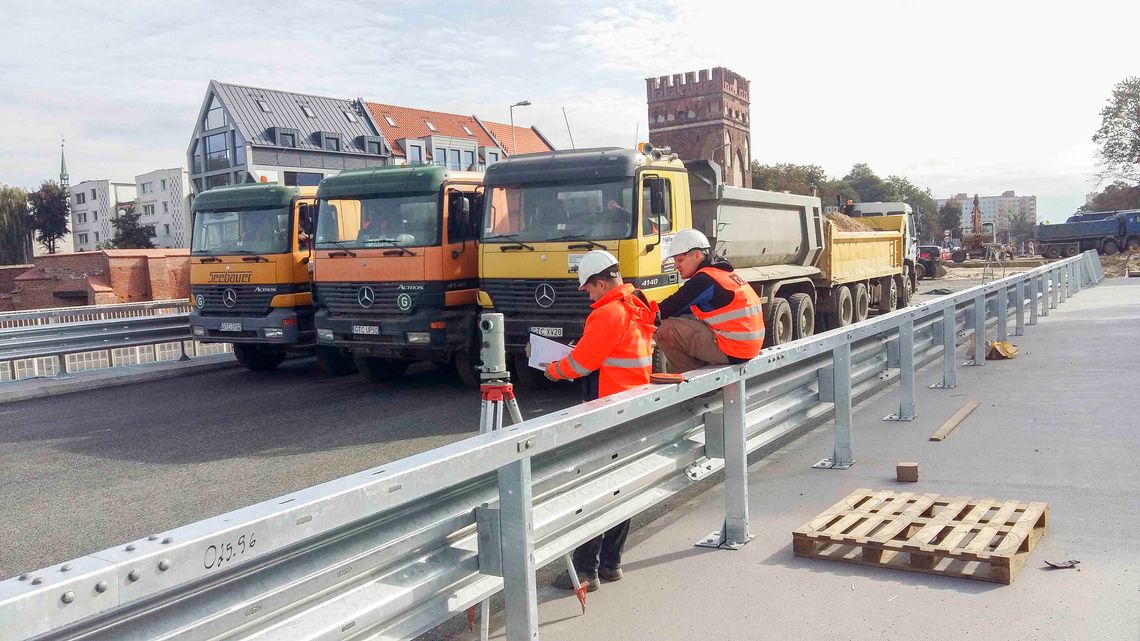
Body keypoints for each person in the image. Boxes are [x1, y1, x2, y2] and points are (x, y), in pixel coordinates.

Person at [544, 250, 656, 592]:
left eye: (589, 288)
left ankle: (584, 572)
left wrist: (552, 369)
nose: (587, 295)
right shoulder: (637, 306)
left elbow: (581, 365)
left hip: (606, 409)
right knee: (622, 487)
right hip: (632, 406)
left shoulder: (607, 313)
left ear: (602, 282)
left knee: (593, 490)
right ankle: (610, 564)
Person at [655, 228, 764, 372]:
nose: (676, 266)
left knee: (660, 328)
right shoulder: (721, 273)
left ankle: (692, 378)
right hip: (748, 346)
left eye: (680, 260)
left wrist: (637, 311)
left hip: (733, 350)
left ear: (697, 255)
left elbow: (665, 309)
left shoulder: (704, 280)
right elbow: (682, 310)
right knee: (684, 316)